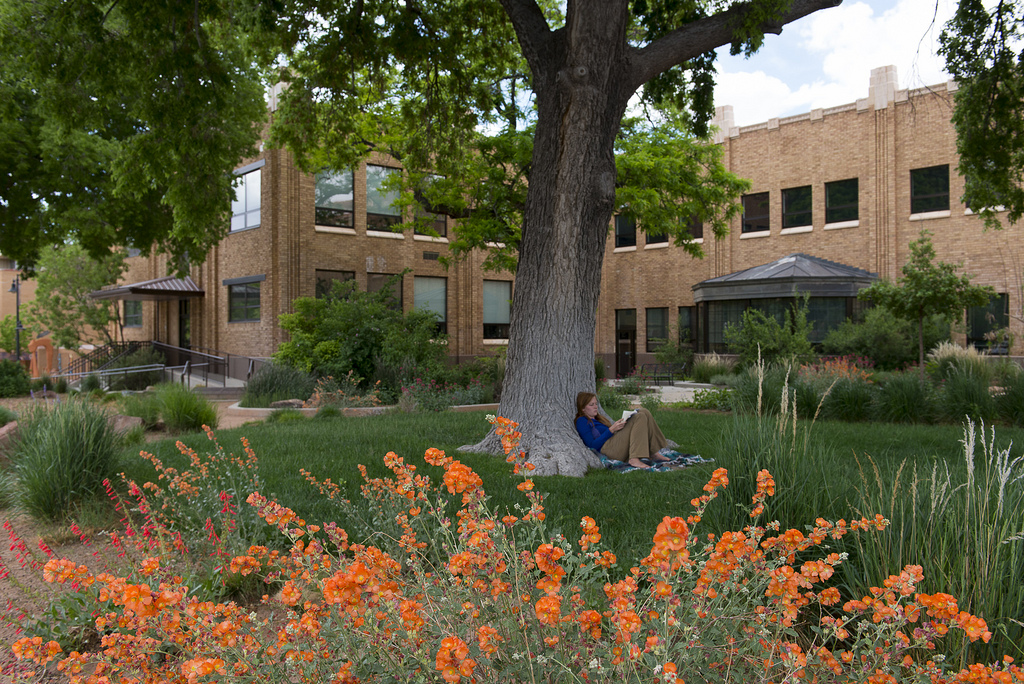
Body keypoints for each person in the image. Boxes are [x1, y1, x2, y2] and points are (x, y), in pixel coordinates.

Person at [574, 391, 672, 469]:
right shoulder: (582, 421)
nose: (595, 407)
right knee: (639, 417)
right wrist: (611, 430)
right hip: (608, 449)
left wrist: (619, 426)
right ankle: (634, 459)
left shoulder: (598, 419)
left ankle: (653, 452)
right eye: (591, 405)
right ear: (583, 408)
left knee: (643, 411)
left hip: (616, 444)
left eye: (596, 404)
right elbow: (591, 445)